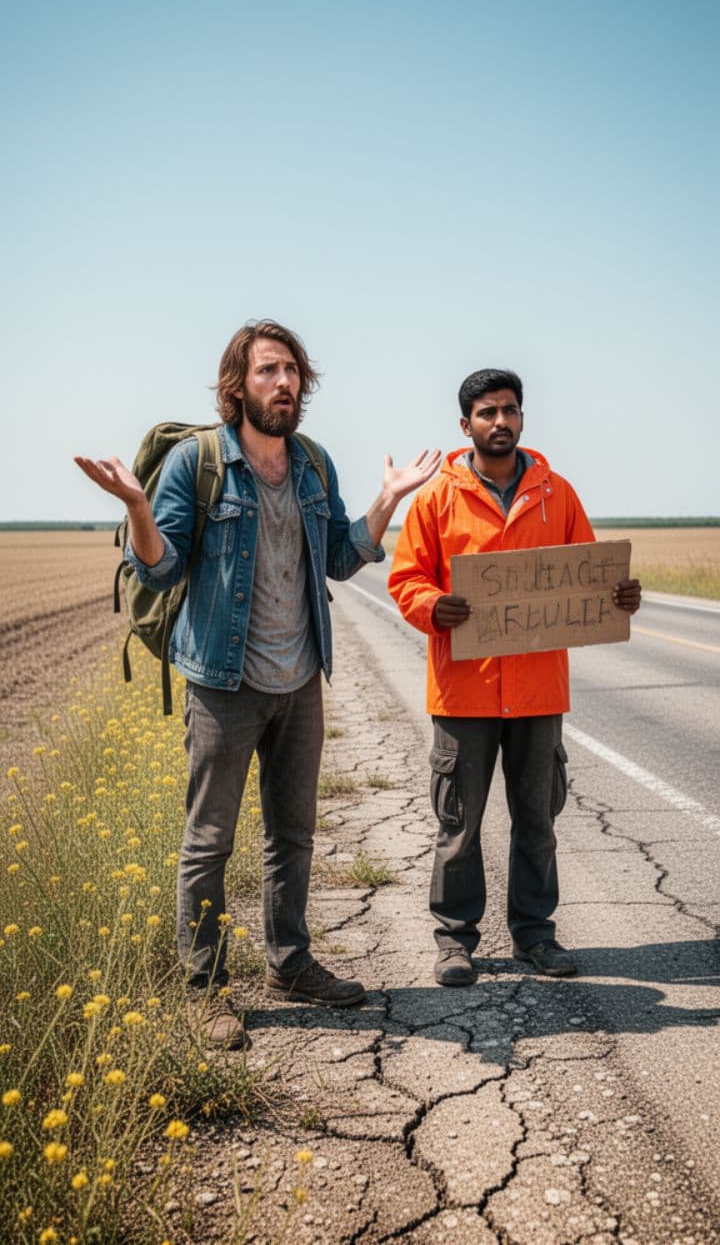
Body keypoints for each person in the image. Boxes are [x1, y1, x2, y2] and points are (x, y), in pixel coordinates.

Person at [75, 319, 440, 1046]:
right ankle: (205, 992)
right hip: (223, 679)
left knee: (293, 836)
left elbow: (339, 557)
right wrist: (139, 507)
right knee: (209, 842)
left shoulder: (312, 463)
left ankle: (290, 963)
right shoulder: (196, 462)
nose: (284, 383)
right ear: (238, 384)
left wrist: (389, 498)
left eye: (293, 372)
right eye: (269, 370)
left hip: (300, 679)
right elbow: (161, 568)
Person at [388, 368, 641, 985]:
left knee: (538, 821)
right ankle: (455, 942)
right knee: (459, 826)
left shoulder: (558, 493)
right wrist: (431, 607)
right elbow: (405, 579)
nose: (499, 421)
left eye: (509, 410)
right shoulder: (435, 498)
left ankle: (534, 936)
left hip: (537, 692)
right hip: (463, 692)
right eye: (486, 412)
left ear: (522, 418)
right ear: (465, 425)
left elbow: (585, 576)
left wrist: (618, 597)